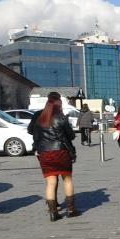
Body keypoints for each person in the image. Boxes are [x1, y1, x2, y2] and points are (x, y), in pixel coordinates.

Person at [30, 92, 78, 221]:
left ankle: (53, 213)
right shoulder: (61, 118)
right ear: (59, 104)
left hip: (45, 153)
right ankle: (71, 210)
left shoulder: (39, 117)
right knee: (67, 179)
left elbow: (31, 131)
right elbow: (71, 136)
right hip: (61, 152)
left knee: (50, 183)